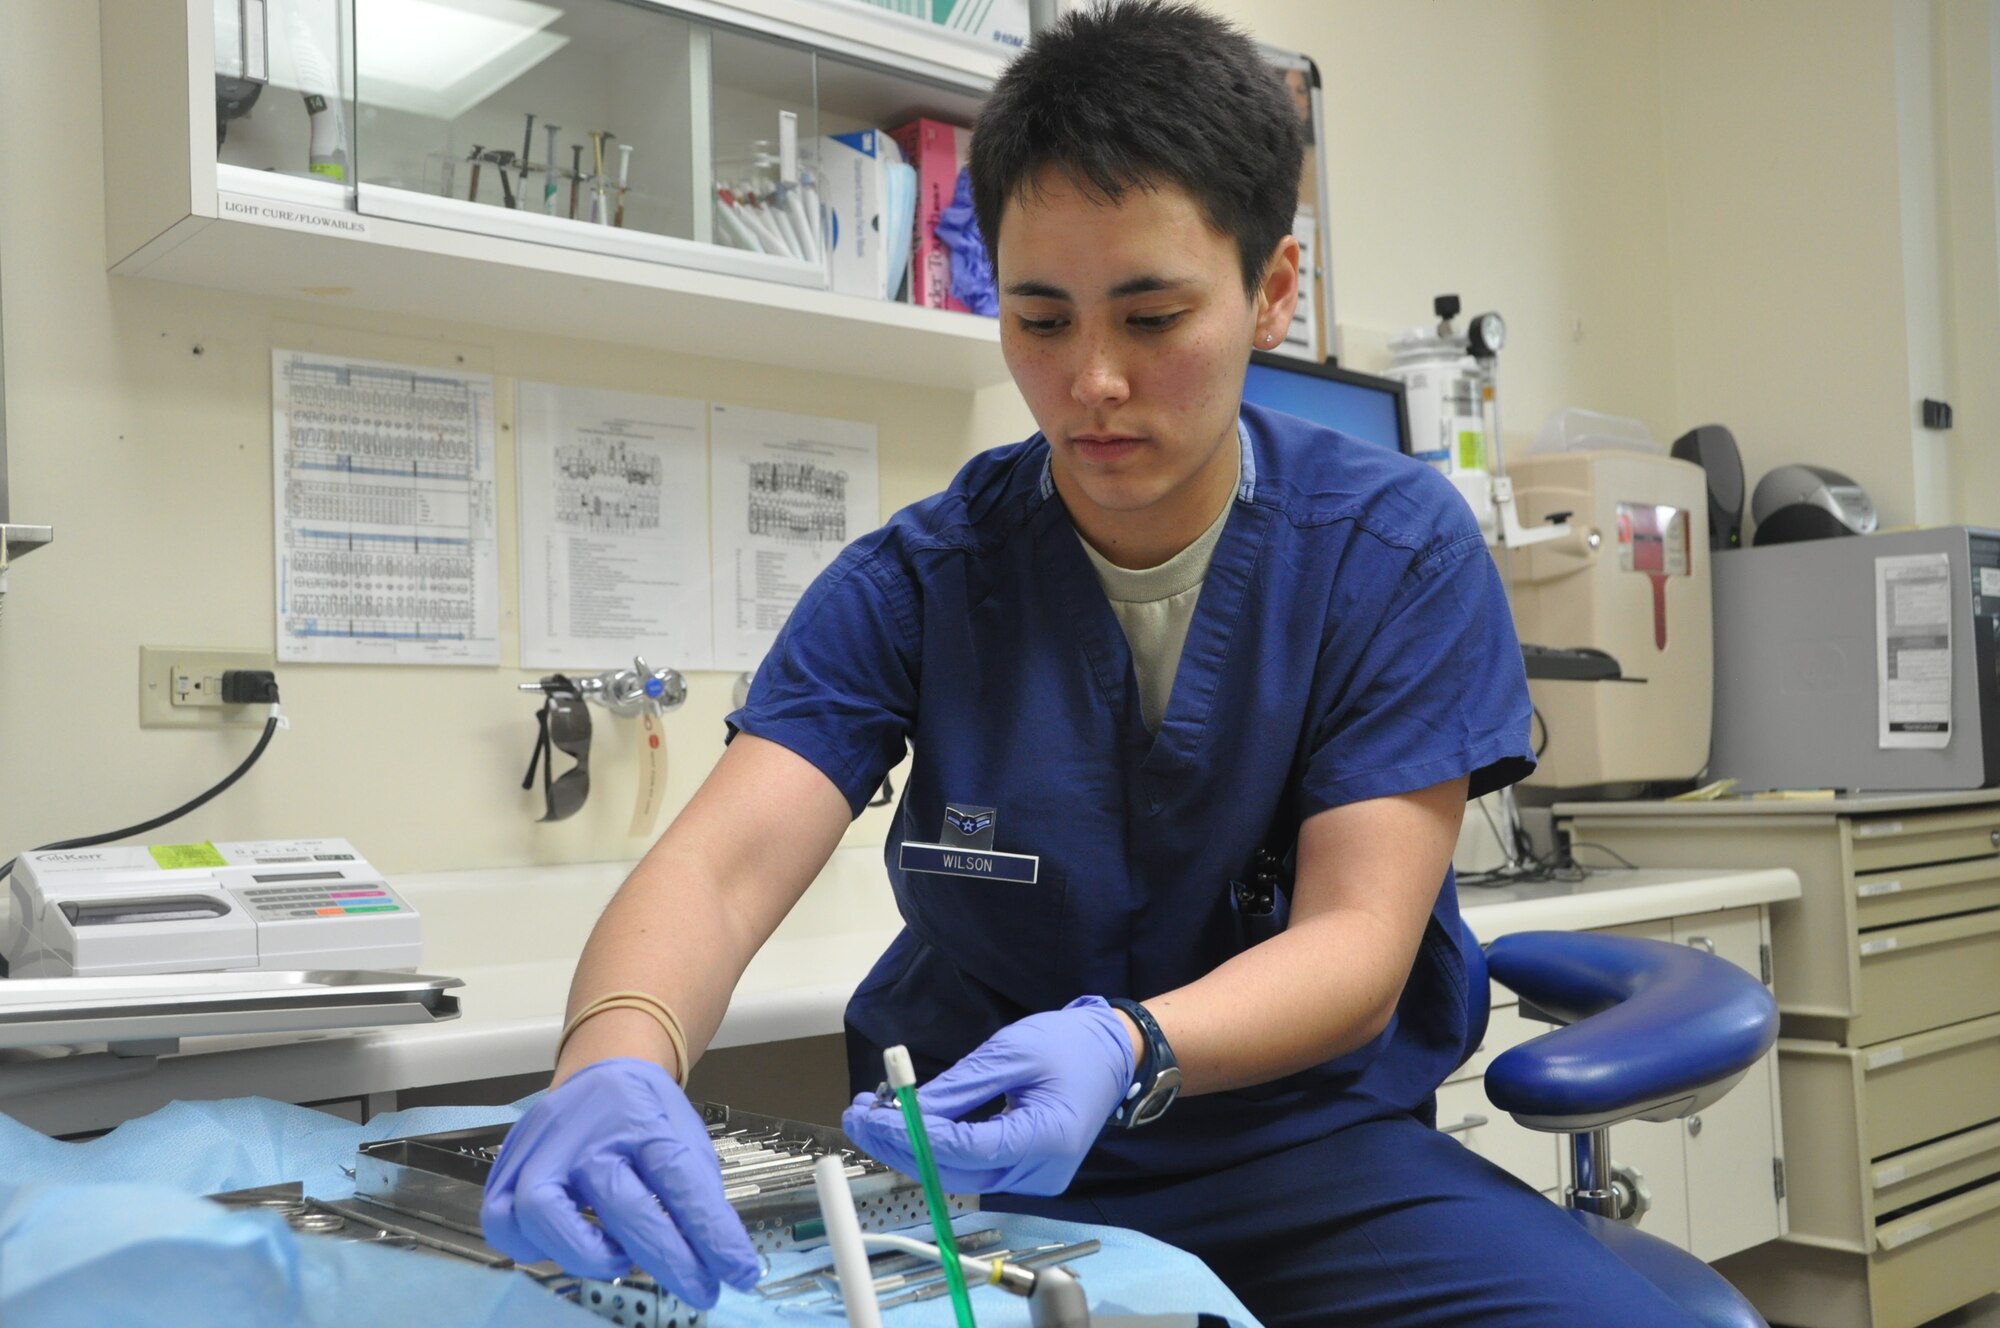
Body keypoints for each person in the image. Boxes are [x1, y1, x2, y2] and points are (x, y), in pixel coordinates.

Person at [480, 5, 1701, 1323]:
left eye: (1152, 313)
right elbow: (716, 872)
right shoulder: (923, 576)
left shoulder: (1388, 550)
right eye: (1041, 318)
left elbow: (1356, 944)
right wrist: (614, 1058)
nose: (1093, 382)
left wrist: (1129, 1043)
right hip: (986, 1176)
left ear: (1271, 291)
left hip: (1313, 1166)